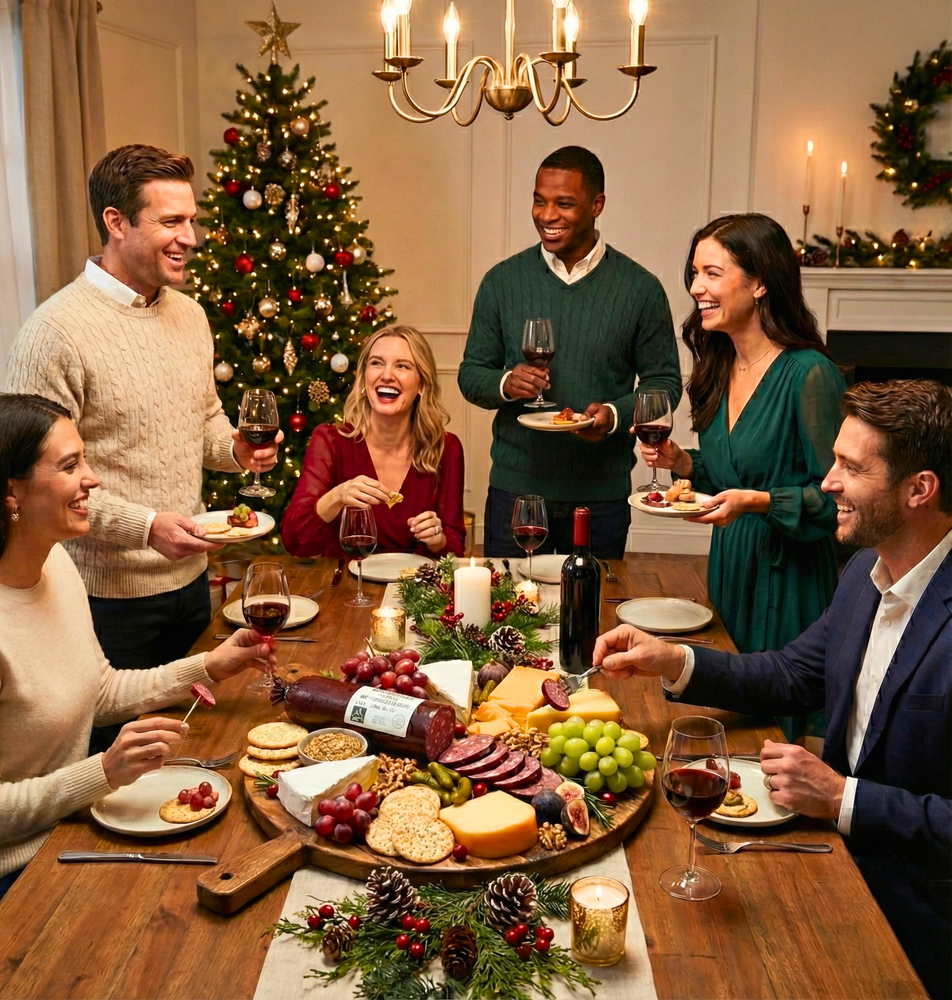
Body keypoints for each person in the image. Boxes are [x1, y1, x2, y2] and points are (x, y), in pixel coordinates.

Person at [594, 379, 952, 1000]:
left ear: (920, 489)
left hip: (918, 922)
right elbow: (791, 673)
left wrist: (842, 797)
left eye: (850, 467)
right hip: (825, 865)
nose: (828, 484)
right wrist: (675, 659)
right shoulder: (864, 577)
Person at [0, 394, 274, 961]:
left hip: (67, 831)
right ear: (11, 492)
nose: (93, 480)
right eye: (70, 464)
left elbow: (98, 690)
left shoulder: (54, 564)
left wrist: (208, 666)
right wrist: (103, 771)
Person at [5, 144, 282, 679]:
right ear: (116, 222)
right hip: (104, 600)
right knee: (118, 752)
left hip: (191, 582)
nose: (190, 238)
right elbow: (37, 485)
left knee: (191, 737)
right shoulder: (54, 333)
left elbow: (203, 422)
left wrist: (237, 449)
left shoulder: (190, 316)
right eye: (171, 221)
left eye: (192, 220)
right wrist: (146, 527)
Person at [637, 214, 845, 739]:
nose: (695, 288)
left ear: (759, 283)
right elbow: (732, 469)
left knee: (775, 730)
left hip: (789, 578)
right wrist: (685, 464)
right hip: (733, 565)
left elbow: (840, 498)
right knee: (730, 720)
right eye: (694, 273)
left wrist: (759, 503)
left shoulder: (809, 373)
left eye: (711, 273)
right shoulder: (719, 364)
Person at [458, 145, 681, 558]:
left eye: (564, 204)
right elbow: (471, 375)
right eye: (539, 201)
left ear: (597, 205)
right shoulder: (502, 281)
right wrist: (507, 383)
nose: (547, 216)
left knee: (592, 616)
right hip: (517, 490)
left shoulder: (640, 289)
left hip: (599, 495)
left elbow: (664, 384)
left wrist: (613, 416)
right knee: (512, 615)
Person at [280, 326, 466, 557]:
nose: (387, 375)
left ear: (422, 384)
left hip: (416, 588)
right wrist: (336, 497)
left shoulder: (446, 448)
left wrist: (438, 540)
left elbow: (455, 549)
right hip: (346, 586)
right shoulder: (330, 441)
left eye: (402, 366)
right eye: (377, 363)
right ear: (363, 378)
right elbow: (295, 541)